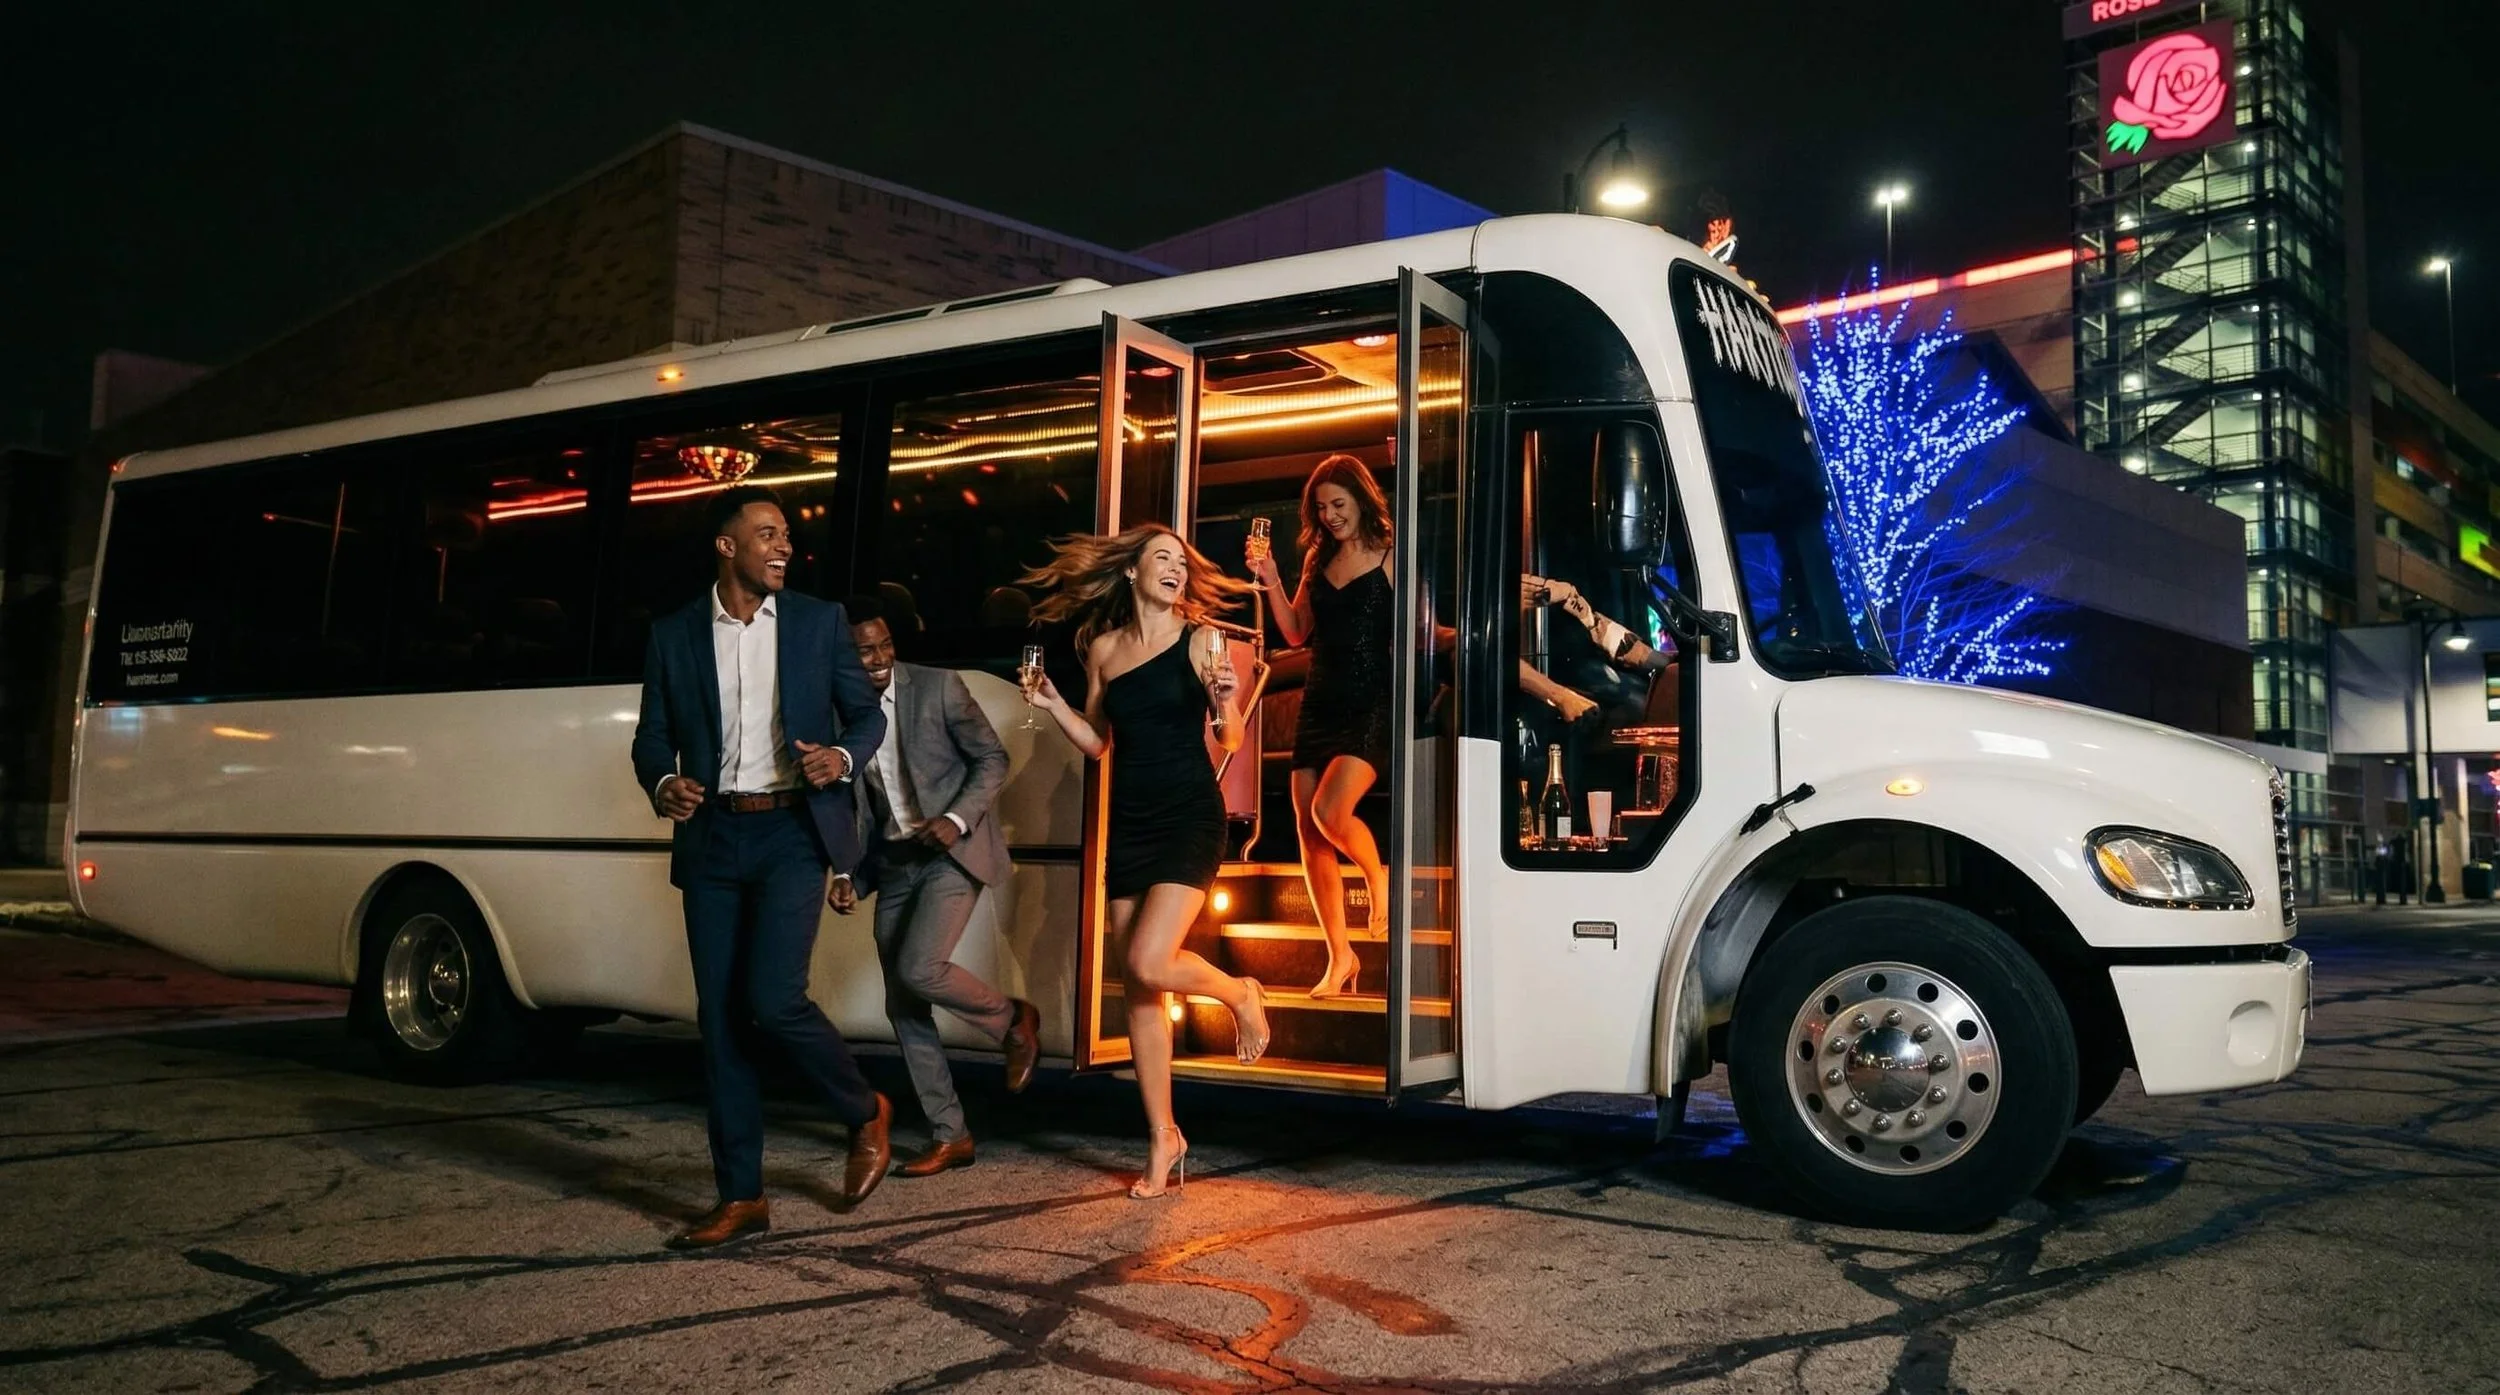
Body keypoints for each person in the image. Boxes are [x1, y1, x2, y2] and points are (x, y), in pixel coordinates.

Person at [629, 485, 893, 1250]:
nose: (784, 547)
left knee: (774, 1000)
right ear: (727, 546)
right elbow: (652, 736)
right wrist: (663, 781)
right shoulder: (675, 633)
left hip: (790, 833)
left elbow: (866, 715)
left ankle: (864, 1109)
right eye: (768, 534)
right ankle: (741, 1194)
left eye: (787, 536)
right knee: (720, 1020)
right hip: (713, 836)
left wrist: (841, 757)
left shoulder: (817, 621)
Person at [1019, 523, 1272, 1199]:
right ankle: (1164, 1137)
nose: (1175, 569)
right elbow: (1097, 742)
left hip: (1188, 814)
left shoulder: (1202, 640)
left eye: (1181, 562)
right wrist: (1052, 703)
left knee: (1149, 959)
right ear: (1131, 571)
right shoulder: (1103, 649)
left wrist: (1225, 700)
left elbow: (1230, 736)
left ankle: (1239, 993)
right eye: (1162, 558)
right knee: (1139, 989)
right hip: (1130, 822)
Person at [828, 597, 1043, 1178]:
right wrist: (844, 872)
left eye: (884, 646)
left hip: (950, 852)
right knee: (903, 1005)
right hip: (893, 864)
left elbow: (991, 759)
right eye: (864, 651)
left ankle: (1012, 1020)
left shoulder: (938, 688)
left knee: (919, 968)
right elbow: (846, 805)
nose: (878, 658)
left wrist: (955, 818)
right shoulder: (837, 713)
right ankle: (952, 1136)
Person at [1246, 455, 1394, 999]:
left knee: (1329, 812)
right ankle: (1340, 957)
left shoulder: (1392, 551)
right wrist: (1270, 578)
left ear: (1361, 498)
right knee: (1310, 837)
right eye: (1321, 507)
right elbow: (1295, 632)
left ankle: (1377, 877)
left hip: (1370, 703)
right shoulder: (1318, 557)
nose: (1330, 515)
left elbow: (1418, 629)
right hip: (1319, 702)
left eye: (1338, 503)